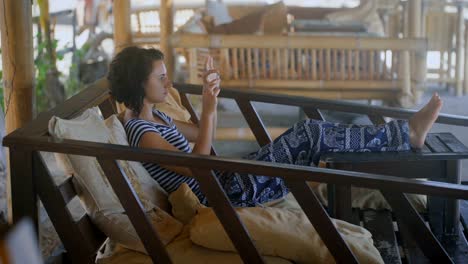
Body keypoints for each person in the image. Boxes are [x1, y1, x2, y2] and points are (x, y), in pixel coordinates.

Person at [107, 46, 443, 207]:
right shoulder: (141, 134)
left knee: (312, 138)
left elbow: (197, 138)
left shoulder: (157, 118)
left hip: (229, 178)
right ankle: (405, 135)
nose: (169, 83)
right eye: (161, 78)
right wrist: (208, 108)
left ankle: (399, 142)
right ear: (139, 84)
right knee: (310, 135)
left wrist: (208, 95)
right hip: (226, 194)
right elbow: (197, 165)